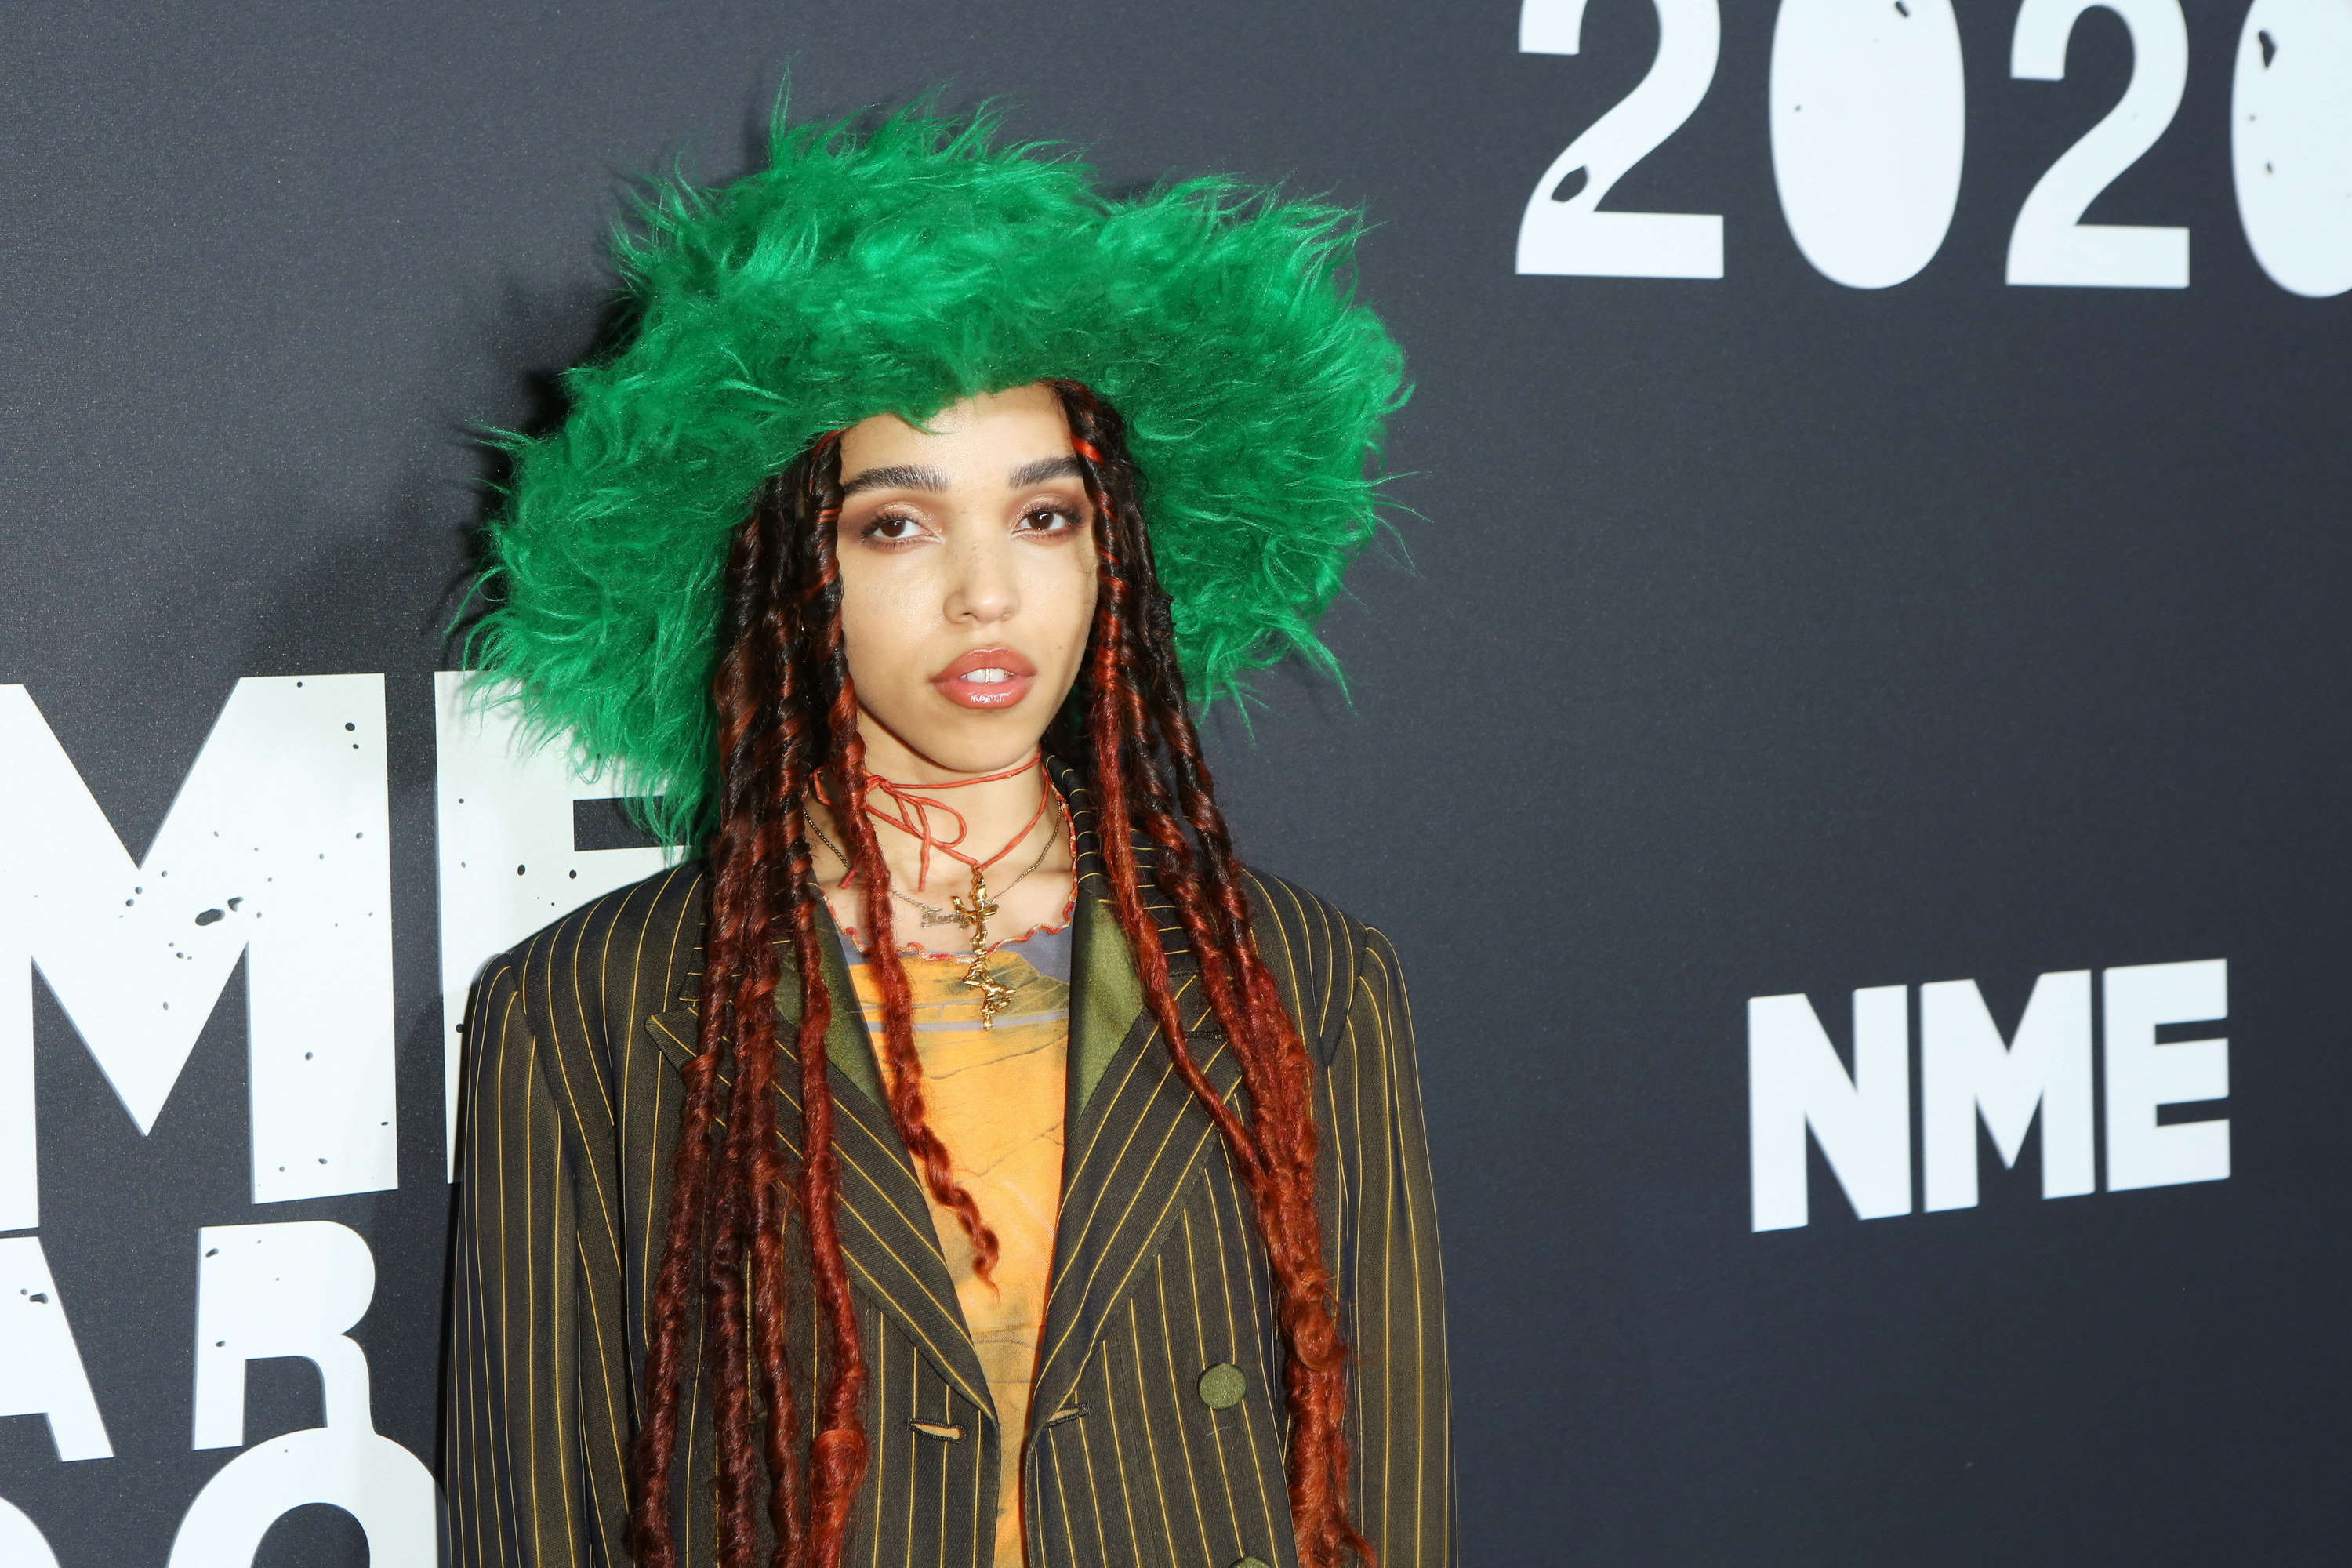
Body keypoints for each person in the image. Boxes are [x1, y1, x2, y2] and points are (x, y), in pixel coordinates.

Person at [444, 103, 1450, 1568]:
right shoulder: (583, 1011)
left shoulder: (1312, 981)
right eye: (896, 527)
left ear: (1118, 556)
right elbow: (536, 1517)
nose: (989, 597)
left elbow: (1387, 1496)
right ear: (784, 573)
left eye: (1046, 519)